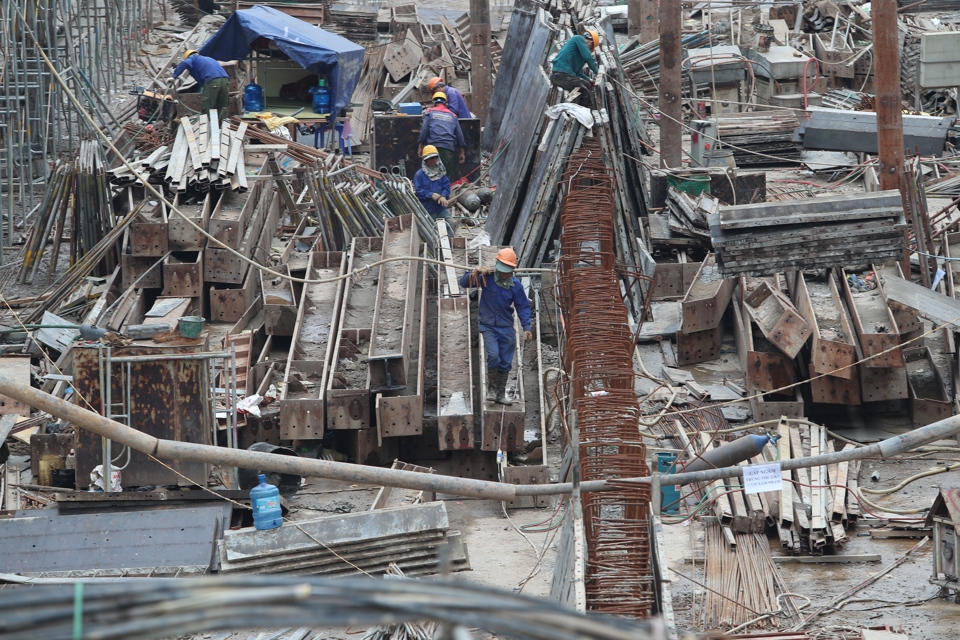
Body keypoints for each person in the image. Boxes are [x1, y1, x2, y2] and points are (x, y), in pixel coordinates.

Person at [458, 248, 532, 405]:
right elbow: (463, 282)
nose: (504, 274)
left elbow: (523, 307)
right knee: (493, 355)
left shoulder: (516, 286)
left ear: (512, 269)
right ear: (497, 265)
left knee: (505, 362)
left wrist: (527, 327)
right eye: (502, 270)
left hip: (506, 327)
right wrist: (475, 272)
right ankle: (491, 390)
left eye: (507, 271)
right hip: (488, 325)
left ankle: (500, 394)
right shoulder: (487, 278)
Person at [172, 49, 230, 122]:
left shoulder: (192, 58)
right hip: (225, 80)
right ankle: (222, 124)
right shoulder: (209, 59)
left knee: (207, 105)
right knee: (222, 105)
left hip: (213, 80)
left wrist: (174, 77)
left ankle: (206, 125)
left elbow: (185, 63)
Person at [418, 92, 466, 177]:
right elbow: (459, 134)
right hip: (448, 148)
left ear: (434, 102)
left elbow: (424, 130)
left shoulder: (429, 112)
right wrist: (462, 152)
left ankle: (433, 190)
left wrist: (420, 146)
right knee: (445, 176)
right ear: (446, 103)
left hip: (432, 148)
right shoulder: (453, 116)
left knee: (431, 175)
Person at [550, 30, 600, 108]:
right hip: (562, 75)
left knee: (586, 84)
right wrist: (597, 72)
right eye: (590, 48)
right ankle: (580, 114)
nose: (588, 50)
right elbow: (588, 57)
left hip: (563, 75)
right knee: (585, 92)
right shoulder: (578, 38)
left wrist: (589, 80)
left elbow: (577, 72)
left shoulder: (577, 52)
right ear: (590, 42)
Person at [413, 145, 454, 236]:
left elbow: (446, 186)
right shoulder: (419, 175)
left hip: (440, 208)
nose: (432, 161)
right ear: (425, 160)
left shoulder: (441, 172)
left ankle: (450, 246)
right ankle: (436, 248)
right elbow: (418, 191)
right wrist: (431, 195)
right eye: (429, 159)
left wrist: (443, 196)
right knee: (433, 231)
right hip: (428, 209)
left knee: (451, 224)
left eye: (434, 158)